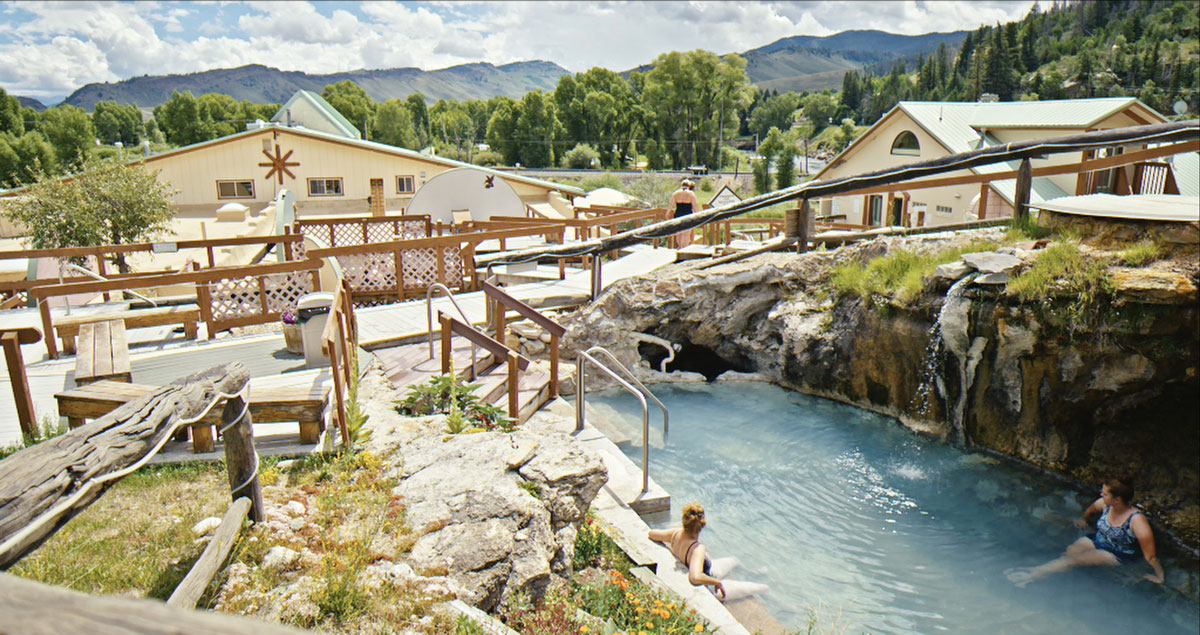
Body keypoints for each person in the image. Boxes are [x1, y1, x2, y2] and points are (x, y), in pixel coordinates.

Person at [1006, 475, 1165, 588]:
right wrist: (1083, 519)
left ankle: (1031, 575)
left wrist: (1160, 577)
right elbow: (1091, 510)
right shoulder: (1105, 504)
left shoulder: (1136, 520)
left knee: (1072, 561)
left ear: (1117, 499)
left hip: (1116, 553)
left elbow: (1150, 555)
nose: (1101, 494)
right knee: (1069, 553)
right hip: (1097, 540)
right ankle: (1049, 576)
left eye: (1105, 493)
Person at [648, 502, 727, 599]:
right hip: (707, 588)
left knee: (732, 562)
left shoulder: (676, 533)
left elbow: (652, 533)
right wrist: (717, 582)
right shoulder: (697, 548)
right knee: (744, 584)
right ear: (702, 524)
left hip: (700, 569)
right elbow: (695, 577)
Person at [668, 179, 700, 248]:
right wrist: (698, 215)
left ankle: (680, 247)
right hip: (687, 214)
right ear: (689, 186)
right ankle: (683, 248)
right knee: (686, 233)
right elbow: (694, 205)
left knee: (679, 233)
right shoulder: (691, 194)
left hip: (678, 214)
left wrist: (667, 213)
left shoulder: (676, 193)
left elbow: (671, 204)